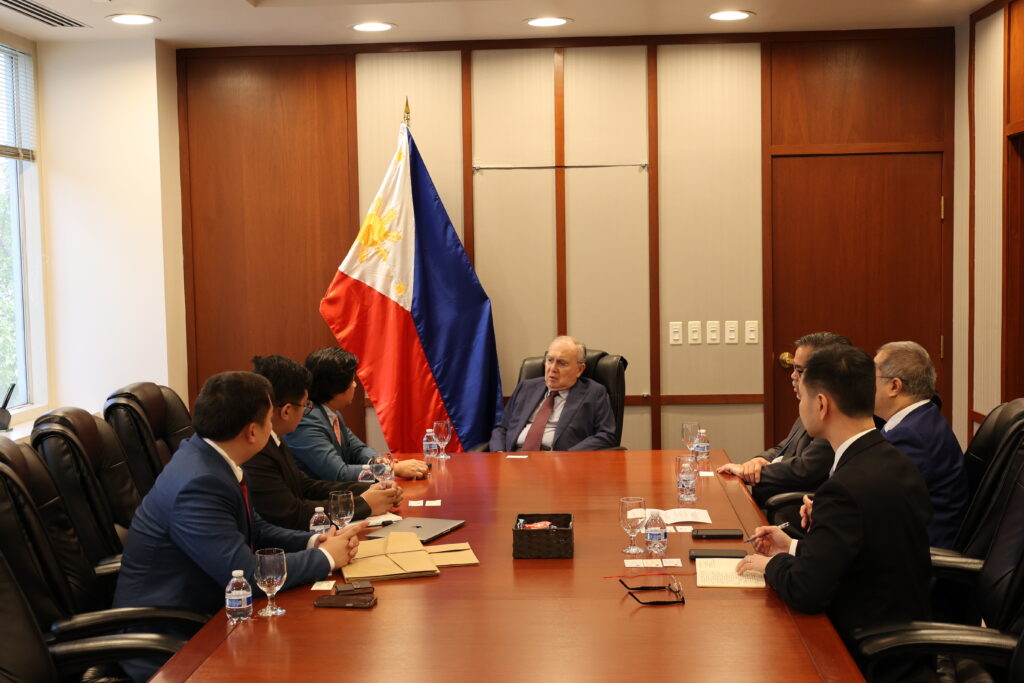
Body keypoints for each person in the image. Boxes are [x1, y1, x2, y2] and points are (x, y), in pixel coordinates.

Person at [113, 371, 364, 681]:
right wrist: (326, 558)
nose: (274, 429)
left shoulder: (209, 456)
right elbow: (245, 574)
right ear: (251, 432)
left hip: (213, 616)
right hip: (170, 642)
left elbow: (254, 529)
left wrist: (315, 541)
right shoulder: (198, 484)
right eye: (270, 421)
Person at [735, 345, 934, 683]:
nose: (800, 406)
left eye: (803, 399)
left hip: (865, 651)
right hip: (901, 632)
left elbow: (807, 590)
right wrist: (793, 546)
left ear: (822, 404)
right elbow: (861, 553)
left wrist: (770, 565)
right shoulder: (894, 460)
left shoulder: (845, 487)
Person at [243, 355, 402, 529]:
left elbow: (306, 485)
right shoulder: (255, 450)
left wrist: (370, 490)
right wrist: (363, 504)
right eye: (305, 406)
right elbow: (291, 513)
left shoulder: (274, 439)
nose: (308, 411)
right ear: (287, 411)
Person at [716, 332, 848, 506]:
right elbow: (783, 447)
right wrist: (758, 461)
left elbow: (806, 470)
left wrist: (748, 472)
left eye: (800, 371)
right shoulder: (810, 406)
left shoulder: (836, 414)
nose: (792, 376)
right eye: (793, 368)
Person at [874, 341, 967, 549]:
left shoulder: (911, 436)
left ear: (894, 386)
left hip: (917, 556)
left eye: (872, 377)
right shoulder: (920, 418)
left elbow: (881, 505)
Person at [285, 347, 427, 482]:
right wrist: (390, 469)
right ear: (336, 388)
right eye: (352, 380)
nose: (355, 385)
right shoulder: (306, 421)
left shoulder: (332, 413)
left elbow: (358, 449)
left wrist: (378, 461)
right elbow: (339, 474)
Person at [489, 336, 616, 451]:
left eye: (562, 363)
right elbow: (502, 428)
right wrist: (499, 455)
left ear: (579, 369)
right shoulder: (526, 388)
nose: (552, 369)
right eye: (550, 360)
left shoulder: (594, 393)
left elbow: (606, 435)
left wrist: (569, 456)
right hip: (514, 460)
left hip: (560, 464)